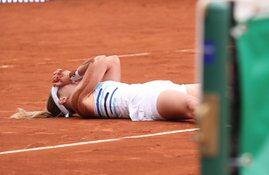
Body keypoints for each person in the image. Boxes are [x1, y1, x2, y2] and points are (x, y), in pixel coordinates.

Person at [11, 55, 200, 121]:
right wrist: (70, 77)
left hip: (157, 87)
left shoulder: (98, 87)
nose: (70, 85)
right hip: (148, 103)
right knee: (193, 106)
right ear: (63, 100)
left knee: (217, 90)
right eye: (62, 88)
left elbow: (112, 61)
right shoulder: (80, 102)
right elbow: (98, 61)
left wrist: (73, 76)